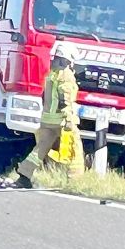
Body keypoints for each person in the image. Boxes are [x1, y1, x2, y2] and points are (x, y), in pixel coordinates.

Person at [14, 43, 84, 188]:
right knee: (75, 149)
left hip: (47, 120)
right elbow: (65, 99)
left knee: (40, 149)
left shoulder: (51, 74)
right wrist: (69, 120)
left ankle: (24, 175)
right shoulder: (66, 75)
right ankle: (75, 181)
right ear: (68, 59)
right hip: (61, 121)